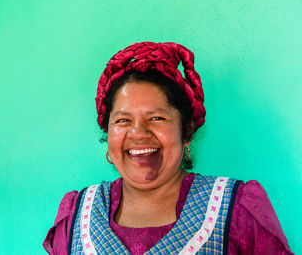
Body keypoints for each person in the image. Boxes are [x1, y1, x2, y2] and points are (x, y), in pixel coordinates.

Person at [43, 42, 293, 254]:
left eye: (157, 118)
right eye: (122, 120)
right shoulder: (77, 215)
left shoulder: (236, 210)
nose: (138, 133)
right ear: (108, 135)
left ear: (186, 132)